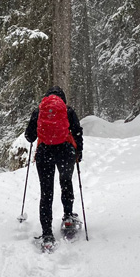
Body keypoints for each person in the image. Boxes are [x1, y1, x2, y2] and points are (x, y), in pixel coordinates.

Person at [24, 86, 83, 249]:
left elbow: (29, 136)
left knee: (46, 192)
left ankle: (47, 235)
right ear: (62, 99)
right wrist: (79, 152)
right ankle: (68, 218)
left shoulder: (39, 111)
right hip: (65, 151)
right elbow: (78, 132)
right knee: (66, 183)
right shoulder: (68, 110)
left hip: (45, 153)